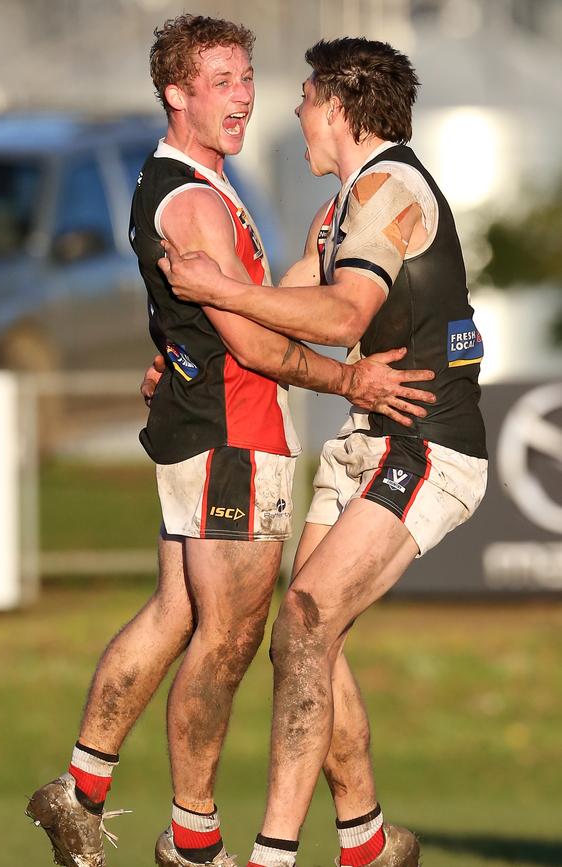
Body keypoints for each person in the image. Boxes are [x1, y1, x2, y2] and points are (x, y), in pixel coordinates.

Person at [25, 19, 437, 867]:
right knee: (231, 638)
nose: (244, 94)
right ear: (175, 93)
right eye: (220, 80)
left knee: (178, 614)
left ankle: (78, 791)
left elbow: (236, 305)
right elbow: (250, 344)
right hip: (231, 434)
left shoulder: (197, 180)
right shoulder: (197, 198)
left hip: (200, 421)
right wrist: (348, 380)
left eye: (248, 76)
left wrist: (177, 343)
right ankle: (195, 842)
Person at [159, 35, 488, 867]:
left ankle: (275, 855)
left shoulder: (389, 190)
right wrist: (190, 345)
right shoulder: (345, 205)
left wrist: (215, 288)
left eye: (304, 97)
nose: (294, 112)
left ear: (338, 105)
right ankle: (370, 842)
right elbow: (284, 303)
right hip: (366, 445)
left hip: (426, 445)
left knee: (304, 619)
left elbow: (342, 316)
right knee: (303, 635)